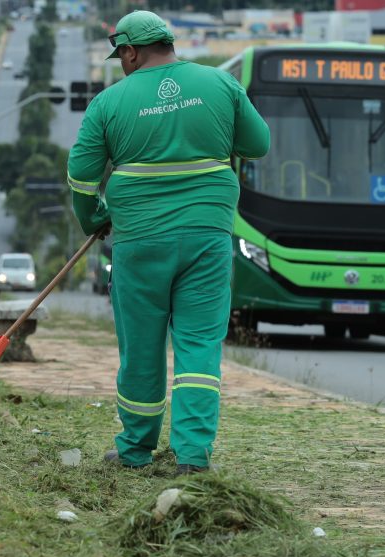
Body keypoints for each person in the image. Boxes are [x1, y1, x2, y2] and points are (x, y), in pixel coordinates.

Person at [67, 11, 270, 474]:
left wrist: (94, 219)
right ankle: (193, 457)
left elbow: (81, 179)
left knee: (141, 346)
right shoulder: (220, 85)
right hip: (207, 236)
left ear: (132, 51)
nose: (121, 62)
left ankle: (136, 450)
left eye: (121, 54)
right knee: (199, 346)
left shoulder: (108, 103)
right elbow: (258, 144)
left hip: (140, 240)